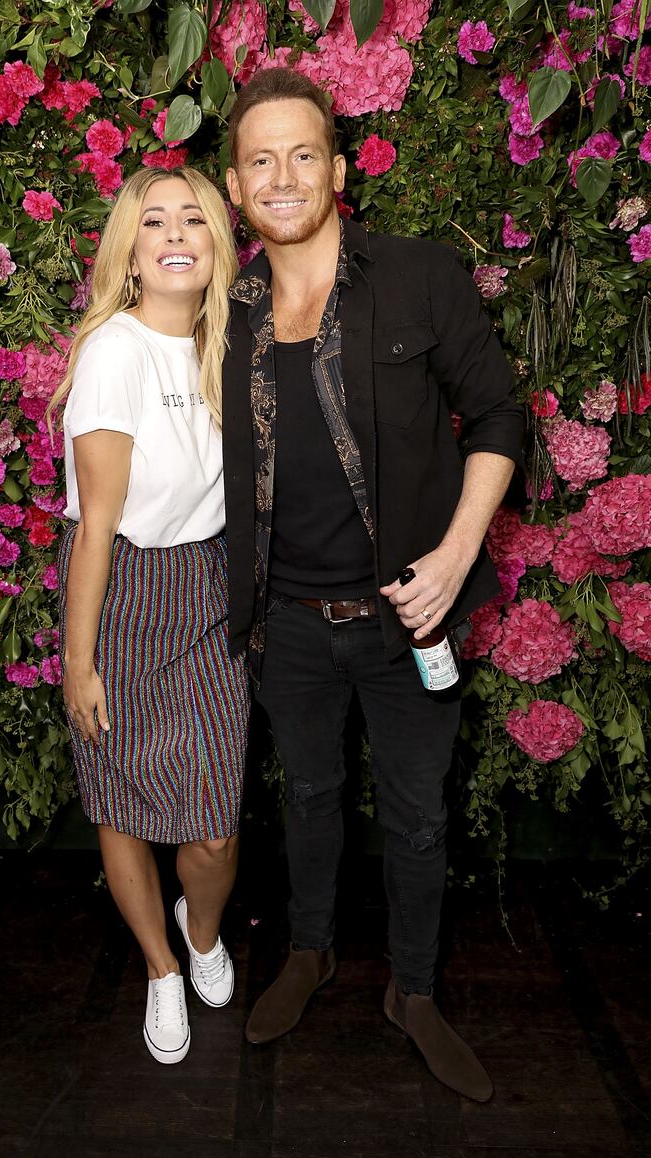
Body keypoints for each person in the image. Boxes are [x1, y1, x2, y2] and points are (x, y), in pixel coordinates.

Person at [222, 68, 524, 1102]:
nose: (283, 176)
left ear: (339, 170)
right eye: (261, 160)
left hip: (409, 620)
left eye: (303, 153)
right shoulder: (224, 312)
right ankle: (308, 951)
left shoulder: (418, 275)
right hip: (287, 625)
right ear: (236, 187)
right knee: (306, 796)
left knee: (417, 815)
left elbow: (498, 416)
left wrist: (454, 554)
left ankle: (415, 991)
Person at [48, 167, 250, 1066]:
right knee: (121, 797)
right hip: (122, 584)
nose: (175, 236)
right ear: (130, 252)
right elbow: (97, 526)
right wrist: (78, 661)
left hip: (205, 583)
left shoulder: (229, 342)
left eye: (193, 220)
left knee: (215, 822)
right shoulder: (114, 351)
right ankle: (162, 966)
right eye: (154, 221)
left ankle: (200, 932)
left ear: (216, 244)